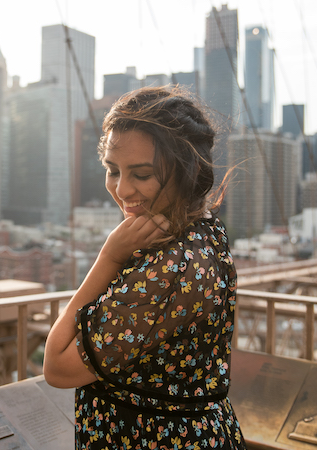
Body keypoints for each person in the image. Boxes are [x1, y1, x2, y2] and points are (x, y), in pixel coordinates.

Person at [44, 86, 246, 449]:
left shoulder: (170, 269)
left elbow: (57, 367)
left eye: (141, 174)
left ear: (187, 172)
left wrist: (109, 256)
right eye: (112, 170)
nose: (121, 190)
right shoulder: (204, 231)